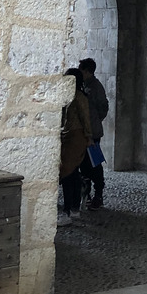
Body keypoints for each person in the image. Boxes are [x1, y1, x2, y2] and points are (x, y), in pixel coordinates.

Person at [58, 68, 92, 225]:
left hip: (76, 137)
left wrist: (89, 137)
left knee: (67, 173)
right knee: (71, 173)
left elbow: (85, 118)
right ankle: (73, 208)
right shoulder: (68, 96)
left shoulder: (79, 97)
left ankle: (68, 210)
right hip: (69, 136)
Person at [78, 57, 109, 210]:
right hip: (85, 132)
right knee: (84, 164)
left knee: (95, 164)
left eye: (81, 69)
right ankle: (87, 193)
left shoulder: (96, 87)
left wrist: (95, 120)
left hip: (94, 132)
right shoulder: (83, 85)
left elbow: (103, 107)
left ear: (87, 71)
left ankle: (98, 194)